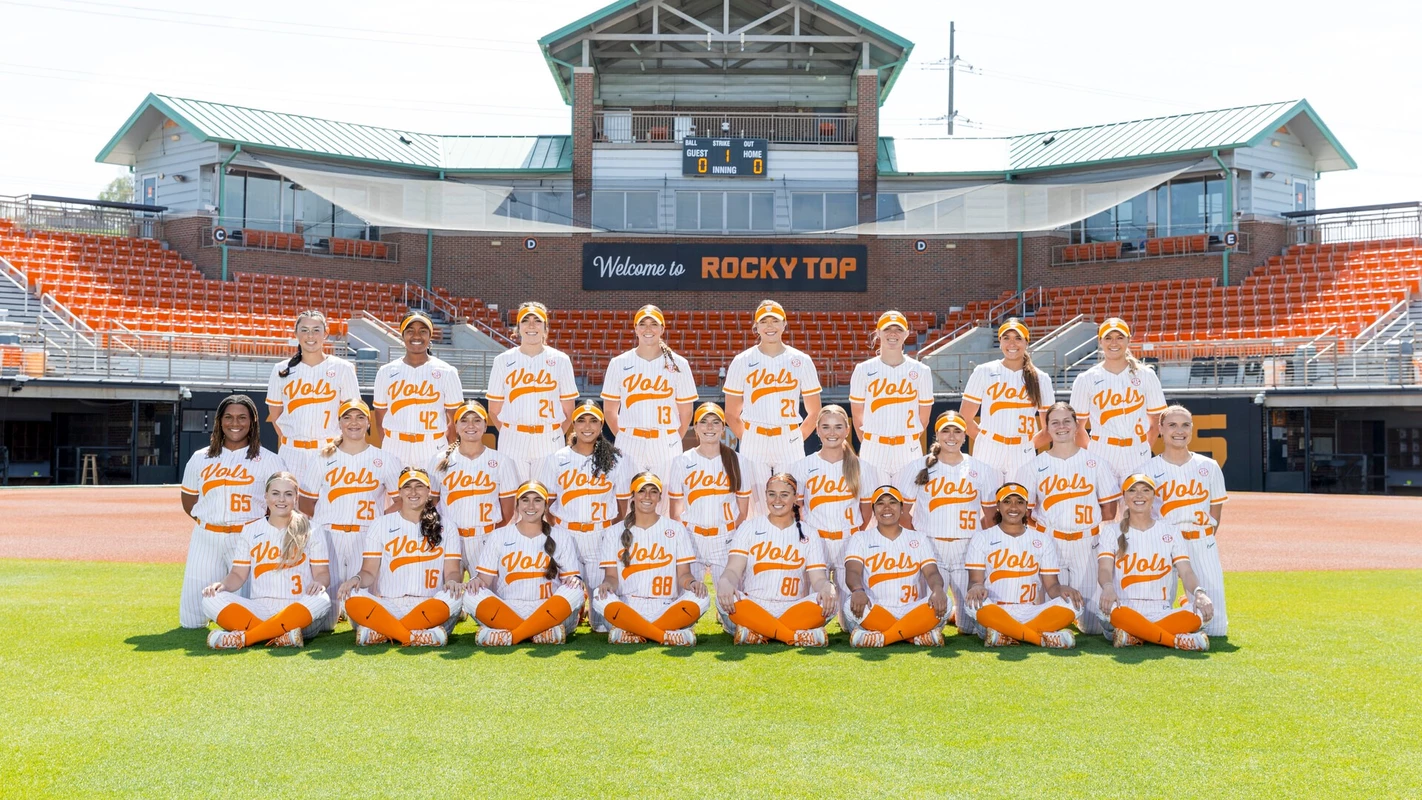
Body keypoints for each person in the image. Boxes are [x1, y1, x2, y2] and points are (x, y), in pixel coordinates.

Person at [178, 394, 286, 629]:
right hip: (206, 538)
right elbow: (189, 501)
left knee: (245, 615)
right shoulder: (200, 458)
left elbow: (281, 505)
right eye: (228, 417)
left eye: (242, 417)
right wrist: (211, 520)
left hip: (247, 538)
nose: (235, 423)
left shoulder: (270, 460)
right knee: (191, 621)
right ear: (219, 421)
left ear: (252, 422)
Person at [1013, 402, 1120, 635]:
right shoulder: (1033, 466)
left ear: (1076, 425)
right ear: (1047, 428)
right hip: (1050, 543)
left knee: (1092, 628)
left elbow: (1110, 511)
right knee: (1051, 621)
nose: (1061, 426)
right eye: (1055, 422)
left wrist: (1082, 524)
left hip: (1088, 544)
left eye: (1066, 421)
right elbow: (1024, 515)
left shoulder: (1095, 463)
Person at [895, 410, 1003, 636]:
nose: (951, 436)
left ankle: (956, 613)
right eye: (946, 431)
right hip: (931, 547)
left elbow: (990, 516)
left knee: (971, 627)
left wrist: (982, 544)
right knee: (929, 624)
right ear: (937, 435)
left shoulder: (981, 469)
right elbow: (902, 513)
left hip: (968, 548)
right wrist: (918, 540)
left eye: (957, 431)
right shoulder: (919, 466)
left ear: (965, 435)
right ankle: (947, 611)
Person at [302, 398, 402, 629]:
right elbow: (306, 503)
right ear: (339, 423)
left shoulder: (386, 459)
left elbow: (401, 502)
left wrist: (379, 522)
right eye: (347, 417)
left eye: (360, 417)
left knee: (363, 622)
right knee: (323, 623)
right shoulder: (322, 457)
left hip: (366, 537)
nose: (353, 422)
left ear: (368, 423)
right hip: (329, 536)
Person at [202, 472, 331, 649]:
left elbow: (322, 574)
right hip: (261, 608)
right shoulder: (250, 530)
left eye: (288, 494)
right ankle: (281, 636)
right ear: (266, 496)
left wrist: (319, 583)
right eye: (275, 493)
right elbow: (238, 575)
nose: (281, 499)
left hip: (299, 610)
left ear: (296, 497)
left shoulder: (312, 529)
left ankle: (247, 638)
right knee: (210, 598)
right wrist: (222, 585)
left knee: (322, 599)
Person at [537, 400, 635, 632]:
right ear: (573, 425)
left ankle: (590, 608)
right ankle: (576, 607)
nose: (587, 426)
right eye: (581, 420)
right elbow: (547, 505)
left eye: (593, 421)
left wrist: (610, 534)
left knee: (602, 624)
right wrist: (558, 533)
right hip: (566, 535)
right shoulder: (556, 458)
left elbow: (623, 507)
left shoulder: (617, 460)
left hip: (600, 535)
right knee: (564, 624)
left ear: (601, 425)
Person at [336, 467, 463, 647]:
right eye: (407, 487)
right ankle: (414, 636)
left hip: (429, 605)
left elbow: (452, 572)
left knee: (456, 597)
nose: (413, 492)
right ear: (400, 492)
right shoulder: (381, 524)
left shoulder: (447, 526)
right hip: (389, 605)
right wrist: (355, 579)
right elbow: (368, 572)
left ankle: (384, 632)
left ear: (429, 491)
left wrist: (452, 582)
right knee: (351, 595)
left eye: (419, 486)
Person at [1095, 473, 1214, 651]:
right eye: (1132, 490)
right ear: (1124, 497)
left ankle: (1133, 636)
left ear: (1154, 496)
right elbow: (1104, 569)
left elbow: (1186, 571)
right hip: (1123, 608)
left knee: (1202, 613)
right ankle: (1175, 641)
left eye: (1145, 490)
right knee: (1109, 612)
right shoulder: (1111, 531)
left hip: (1161, 610)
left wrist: (1199, 593)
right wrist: (1107, 587)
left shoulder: (1171, 531)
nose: (1139, 495)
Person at [714, 473, 835, 647]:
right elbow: (733, 569)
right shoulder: (749, 527)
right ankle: (792, 636)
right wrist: (725, 581)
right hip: (754, 605)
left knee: (830, 601)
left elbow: (818, 579)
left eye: (784, 495)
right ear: (765, 496)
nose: (777, 500)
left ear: (795, 497)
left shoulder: (809, 533)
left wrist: (827, 588)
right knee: (723, 599)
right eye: (772, 494)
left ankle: (757, 632)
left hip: (792, 608)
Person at [591, 473, 708, 646]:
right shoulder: (614, 532)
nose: (647, 496)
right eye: (641, 491)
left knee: (702, 596)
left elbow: (684, 574)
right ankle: (664, 635)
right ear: (632, 495)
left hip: (667, 607)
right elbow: (612, 577)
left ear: (659, 497)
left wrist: (692, 583)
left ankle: (633, 633)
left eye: (653, 492)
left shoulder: (676, 529)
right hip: (627, 607)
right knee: (598, 595)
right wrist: (607, 585)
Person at [463, 481, 585, 646]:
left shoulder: (561, 536)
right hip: (508, 609)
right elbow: (484, 580)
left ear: (545, 505)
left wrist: (574, 580)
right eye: (525, 500)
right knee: (470, 593)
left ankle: (513, 635)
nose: (531, 506)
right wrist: (476, 581)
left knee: (576, 589)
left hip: (550, 611)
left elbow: (570, 578)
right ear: (517, 505)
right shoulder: (499, 535)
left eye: (537, 500)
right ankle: (539, 633)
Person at [1143, 404, 1229, 637]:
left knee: (1215, 628)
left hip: (1200, 540)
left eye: (1185, 425)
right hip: (1164, 543)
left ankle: (1188, 605)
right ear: (1161, 429)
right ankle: (1185, 605)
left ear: (1191, 429)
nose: (1179, 431)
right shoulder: (1147, 470)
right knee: (1154, 615)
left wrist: (1203, 537)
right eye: (1172, 425)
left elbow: (1215, 512)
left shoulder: (1208, 466)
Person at [666, 402, 760, 618]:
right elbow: (675, 511)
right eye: (704, 422)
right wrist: (682, 539)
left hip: (724, 538)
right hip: (691, 536)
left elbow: (743, 511)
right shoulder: (682, 461)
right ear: (696, 428)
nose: (710, 427)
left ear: (723, 428)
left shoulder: (738, 460)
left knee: (733, 614)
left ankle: (725, 617)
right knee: (685, 610)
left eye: (716, 422)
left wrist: (732, 536)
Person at [964, 484, 1082, 648]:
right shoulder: (982, 538)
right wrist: (976, 587)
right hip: (995, 610)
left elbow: (1052, 587)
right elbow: (974, 581)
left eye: (1020, 502)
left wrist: (1063, 589)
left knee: (1074, 604)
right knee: (972, 604)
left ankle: (1005, 635)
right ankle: (1038, 638)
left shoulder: (1042, 539)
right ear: (998, 506)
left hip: (1030, 611)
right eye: (1007, 501)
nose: (1013, 507)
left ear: (1027, 506)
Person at [788, 405, 880, 614]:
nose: (832, 433)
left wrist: (854, 534)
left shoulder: (862, 467)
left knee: (851, 616)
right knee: (813, 613)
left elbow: (866, 511)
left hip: (848, 541)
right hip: (815, 541)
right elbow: (797, 508)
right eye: (826, 427)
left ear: (847, 430)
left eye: (838, 427)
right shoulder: (802, 465)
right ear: (817, 430)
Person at [600, 305, 698, 490]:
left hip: (666, 441)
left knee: (667, 497)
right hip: (630, 440)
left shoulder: (679, 364)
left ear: (662, 328)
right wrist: (624, 437)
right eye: (642, 324)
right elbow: (610, 411)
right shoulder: (619, 363)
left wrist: (672, 439)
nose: (648, 328)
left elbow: (686, 413)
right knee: (627, 496)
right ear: (635, 328)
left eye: (654, 324)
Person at [842, 486, 950, 648]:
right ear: (873, 510)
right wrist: (857, 590)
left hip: (911, 609)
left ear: (902, 508)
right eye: (880, 503)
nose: (887, 508)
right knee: (849, 605)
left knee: (946, 602)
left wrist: (937, 589)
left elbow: (932, 572)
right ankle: (915, 636)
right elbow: (852, 572)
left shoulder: (918, 537)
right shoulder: (860, 538)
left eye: (892, 502)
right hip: (876, 608)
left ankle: (883, 637)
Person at [722, 299, 822, 473]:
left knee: (791, 490)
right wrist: (748, 438)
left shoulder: (802, 360)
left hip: (789, 437)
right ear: (756, 326)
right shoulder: (741, 361)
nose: (770, 326)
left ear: (784, 324)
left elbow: (815, 412)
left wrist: (797, 438)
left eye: (775, 320)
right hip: (754, 438)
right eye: (764, 321)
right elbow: (731, 413)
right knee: (753, 491)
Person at [265, 310, 359, 492]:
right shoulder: (281, 370)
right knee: (291, 505)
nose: (310, 335)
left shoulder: (343, 368)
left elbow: (353, 416)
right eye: (304, 330)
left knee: (330, 504)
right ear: (296, 333)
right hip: (291, 454)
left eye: (316, 330)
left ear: (326, 333)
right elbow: (275, 416)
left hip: (329, 451)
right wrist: (292, 441)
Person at [485, 301, 579, 479]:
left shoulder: (561, 360)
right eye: (525, 320)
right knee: (513, 492)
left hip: (549, 437)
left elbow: (569, 411)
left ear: (545, 328)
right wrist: (510, 432)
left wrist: (554, 434)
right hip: (512, 438)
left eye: (537, 321)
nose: (531, 325)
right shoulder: (502, 360)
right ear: (518, 327)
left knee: (548, 492)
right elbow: (494, 411)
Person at [428, 400, 521, 577]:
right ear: (455, 426)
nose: (470, 425)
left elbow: (508, 511)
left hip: (485, 538)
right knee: (447, 591)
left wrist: (491, 536)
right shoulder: (439, 460)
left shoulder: (502, 461)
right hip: (449, 537)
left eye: (477, 420)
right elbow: (431, 504)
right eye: (464, 420)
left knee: (486, 593)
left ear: (485, 426)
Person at [1070, 318, 1167, 480]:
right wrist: (1091, 453)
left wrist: (1144, 448)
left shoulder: (1146, 375)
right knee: (1104, 497)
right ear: (1100, 341)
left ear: (1128, 340)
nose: (1114, 342)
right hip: (1102, 449)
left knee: (1136, 497)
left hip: (1137, 449)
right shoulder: (1085, 379)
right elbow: (1076, 427)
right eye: (1108, 338)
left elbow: (1157, 420)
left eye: (1119, 337)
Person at [959, 318, 1054, 478]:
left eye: (1018, 338)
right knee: (984, 494)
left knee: (1021, 494)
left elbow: (1049, 428)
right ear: (1000, 342)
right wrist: (987, 440)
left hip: (1023, 451)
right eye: (1006, 338)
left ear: (1026, 342)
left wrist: (1026, 446)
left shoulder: (1041, 378)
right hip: (988, 449)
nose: (1012, 343)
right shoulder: (983, 371)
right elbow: (964, 419)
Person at [373, 312, 465, 471]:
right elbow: (380, 416)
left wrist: (449, 452)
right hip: (394, 445)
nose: (416, 336)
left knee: (434, 488)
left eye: (423, 331)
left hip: (433, 445)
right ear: (402, 336)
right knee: (393, 488)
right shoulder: (386, 372)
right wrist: (388, 443)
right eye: (410, 331)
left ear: (430, 336)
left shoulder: (447, 371)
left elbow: (455, 420)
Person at [849, 310, 935, 477]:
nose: (893, 333)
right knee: (871, 493)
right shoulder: (863, 369)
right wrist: (870, 443)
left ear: (906, 334)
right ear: (878, 332)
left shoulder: (921, 370)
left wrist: (907, 439)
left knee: (910, 493)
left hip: (908, 448)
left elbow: (924, 418)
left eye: (898, 329)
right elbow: (857, 416)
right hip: (874, 447)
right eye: (887, 329)